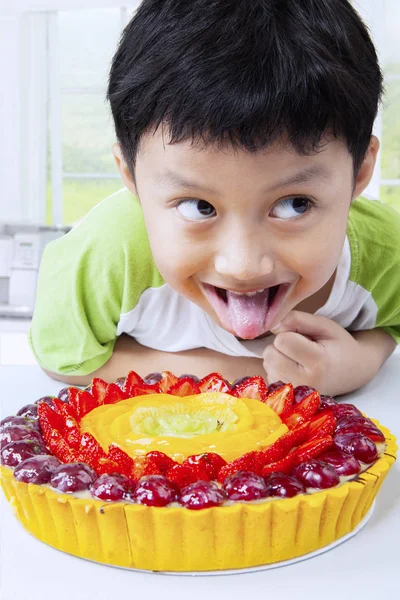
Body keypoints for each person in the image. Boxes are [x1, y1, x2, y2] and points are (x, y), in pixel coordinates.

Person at [29, 0, 400, 396]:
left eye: (295, 204)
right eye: (198, 207)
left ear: (359, 173)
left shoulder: (386, 254)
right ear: (130, 177)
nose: (243, 266)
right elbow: (64, 357)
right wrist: (242, 369)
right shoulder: (106, 256)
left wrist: (362, 360)